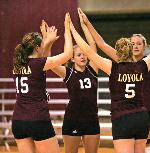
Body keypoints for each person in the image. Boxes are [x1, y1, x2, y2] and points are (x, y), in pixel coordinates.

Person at [70, 8, 150, 153]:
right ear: (130, 49)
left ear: (118, 53)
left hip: (124, 117)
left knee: (149, 146)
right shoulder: (144, 65)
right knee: (148, 146)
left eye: (139, 43)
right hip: (141, 115)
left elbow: (89, 51)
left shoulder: (114, 66)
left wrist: (73, 30)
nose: (136, 46)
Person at [11, 13, 73, 153]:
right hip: (37, 119)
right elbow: (68, 54)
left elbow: (43, 59)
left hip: (18, 121)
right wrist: (67, 29)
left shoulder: (17, 65)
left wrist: (47, 41)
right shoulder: (38, 64)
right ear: (38, 48)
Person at [41, 17, 100, 153]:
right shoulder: (68, 73)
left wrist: (84, 25)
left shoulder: (93, 69)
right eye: (79, 55)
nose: (83, 57)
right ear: (72, 58)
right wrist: (48, 43)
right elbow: (49, 62)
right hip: (73, 119)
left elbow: (92, 45)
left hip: (92, 120)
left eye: (84, 54)